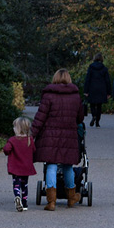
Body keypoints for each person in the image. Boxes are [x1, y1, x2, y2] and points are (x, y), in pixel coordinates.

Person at [31, 69, 84, 211]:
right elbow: (80, 118)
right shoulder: (76, 96)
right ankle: (71, 197)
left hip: (50, 136)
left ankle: (51, 201)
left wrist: (31, 135)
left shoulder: (49, 95)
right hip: (69, 137)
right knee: (67, 166)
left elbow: (40, 118)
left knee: (51, 165)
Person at [3, 116, 37, 212]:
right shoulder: (30, 139)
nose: (13, 129)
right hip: (26, 167)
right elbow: (34, 150)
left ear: (18, 129)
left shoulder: (12, 140)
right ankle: (25, 204)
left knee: (16, 184)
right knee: (24, 185)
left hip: (15, 167)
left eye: (14, 127)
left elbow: (6, 149)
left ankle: (17, 197)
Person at [83, 52, 111, 127]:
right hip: (102, 88)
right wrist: (109, 92)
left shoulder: (91, 67)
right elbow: (107, 80)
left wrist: (86, 91)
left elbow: (87, 79)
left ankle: (93, 116)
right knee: (99, 105)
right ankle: (97, 122)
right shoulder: (104, 68)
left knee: (92, 104)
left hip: (92, 88)